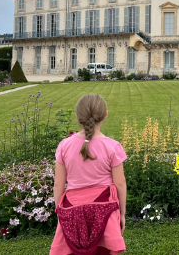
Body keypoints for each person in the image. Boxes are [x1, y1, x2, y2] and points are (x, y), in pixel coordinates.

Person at [51, 94, 127, 255]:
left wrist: (61, 214)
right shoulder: (112, 147)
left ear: (78, 116)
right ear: (105, 115)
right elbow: (120, 183)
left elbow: (58, 184)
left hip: (73, 208)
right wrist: (122, 214)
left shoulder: (64, 146)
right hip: (104, 208)